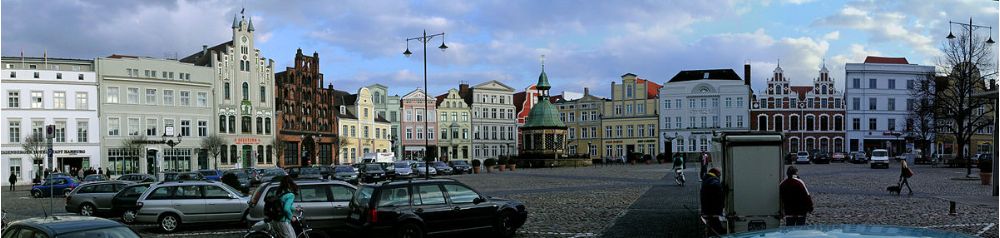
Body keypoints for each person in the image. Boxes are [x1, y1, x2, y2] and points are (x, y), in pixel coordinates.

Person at [700, 167, 725, 235]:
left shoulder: (707, 179)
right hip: (712, 211)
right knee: (716, 229)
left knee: (711, 227)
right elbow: (715, 186)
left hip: (707, 210)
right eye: (719, 175)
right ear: (716, 173)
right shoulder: (713, 180)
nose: (720, 177)